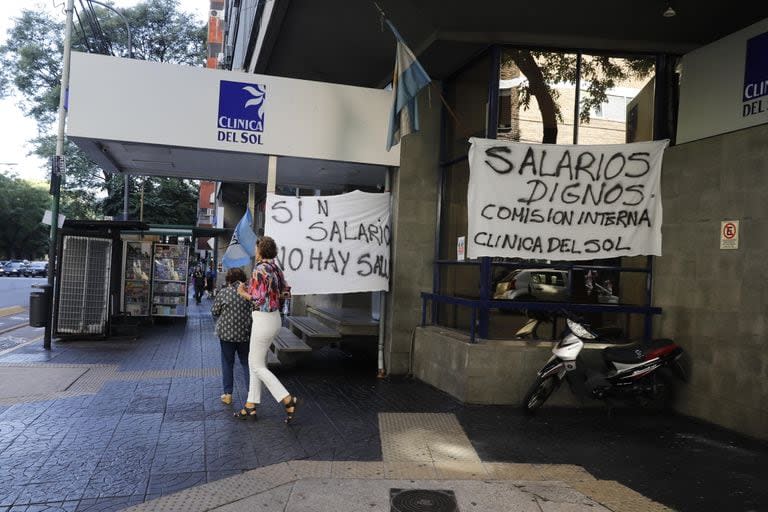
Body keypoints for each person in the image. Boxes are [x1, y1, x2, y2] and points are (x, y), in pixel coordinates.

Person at [235, 236, 299, 423]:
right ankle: (250, 405)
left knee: (256, 365)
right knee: (256, 361)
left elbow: (258, 300)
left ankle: (287, 399)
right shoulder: (275, 269)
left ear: (261, 250)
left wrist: (243, 293)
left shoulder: (259, 269)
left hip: (263, 320)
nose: (255, 253)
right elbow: (283, 292)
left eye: (256, 249)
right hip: (275, 319)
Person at [211, 267, 251, 406]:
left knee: (228, 363)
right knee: (246, 363)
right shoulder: (248, 293)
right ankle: (251, 396)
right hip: (244, 334)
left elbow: (215, 311)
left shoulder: (224, 293)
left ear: (229, 279)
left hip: (226, 335)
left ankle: (228, 394)